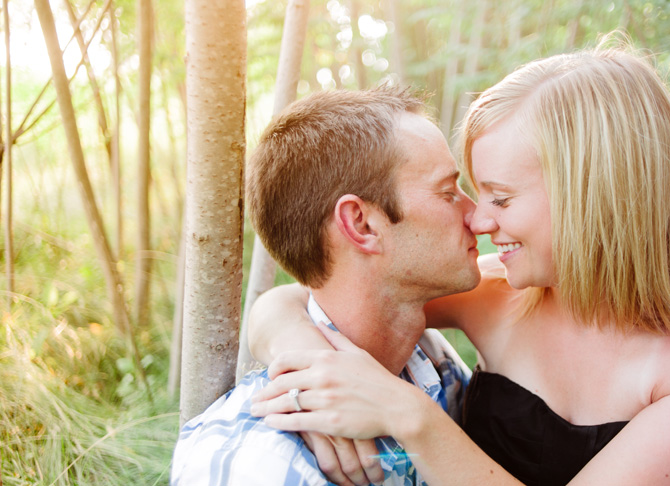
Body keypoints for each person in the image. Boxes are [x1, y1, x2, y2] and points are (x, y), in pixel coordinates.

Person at [247, 44, 670, 485]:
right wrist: (311, 359)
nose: (477, 219)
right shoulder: (501, 292)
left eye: (500, 198)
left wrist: (408, 415)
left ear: (594, 200)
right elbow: (301, 297)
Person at [170, 86, 485, 485]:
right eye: (447, 193)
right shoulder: (259, 467)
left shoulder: (432, 363)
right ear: (362, 224)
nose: (477, 215)